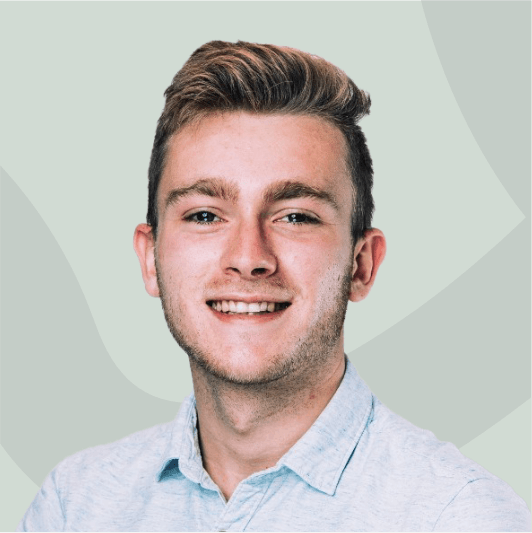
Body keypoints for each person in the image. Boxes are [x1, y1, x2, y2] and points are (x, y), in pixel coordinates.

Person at [17, 40, 530, 533]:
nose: (248, 258)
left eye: (295, 216)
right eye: (204, 215)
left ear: (361, 265)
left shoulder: (458, 517)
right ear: (150, 259)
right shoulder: (74, 506)